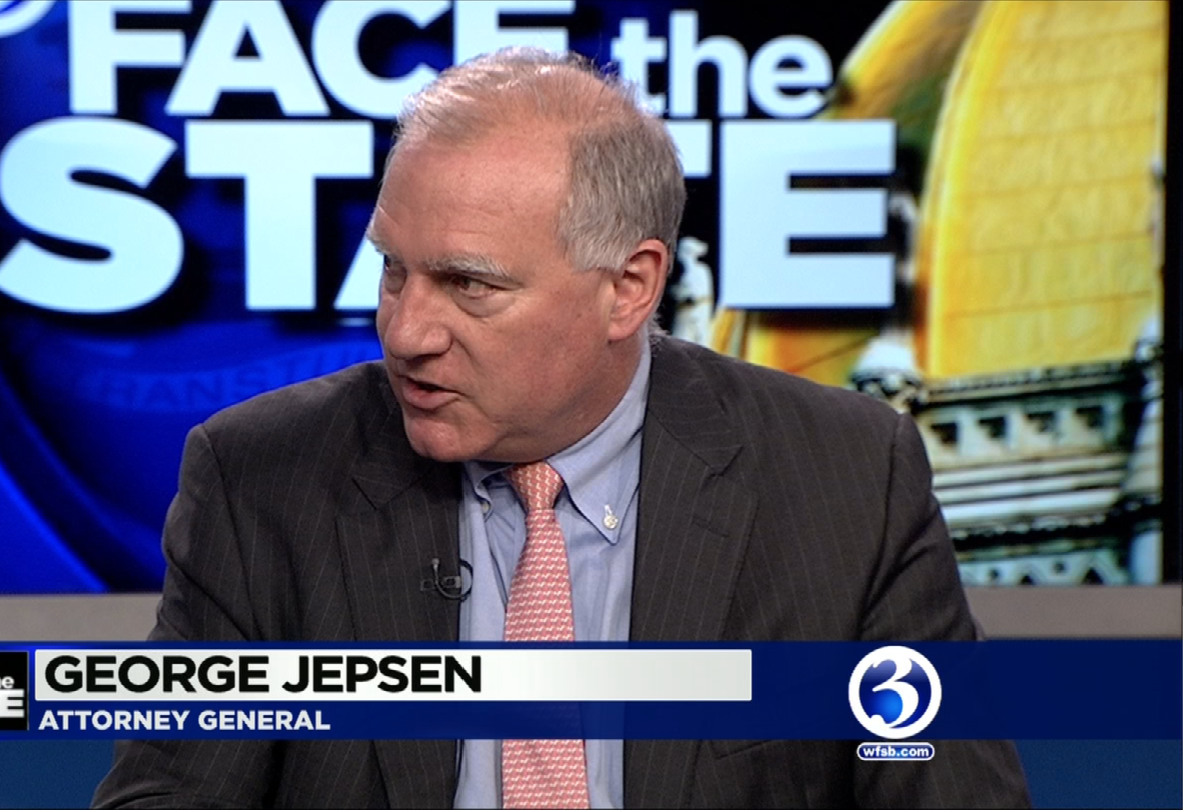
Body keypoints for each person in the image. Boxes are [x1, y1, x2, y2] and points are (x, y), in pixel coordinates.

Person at [94, 48, 1030, 808]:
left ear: (629, 288)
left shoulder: (845, 480)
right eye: (393, 271)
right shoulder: (263, 478)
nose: (407, 332)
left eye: (469, 284)